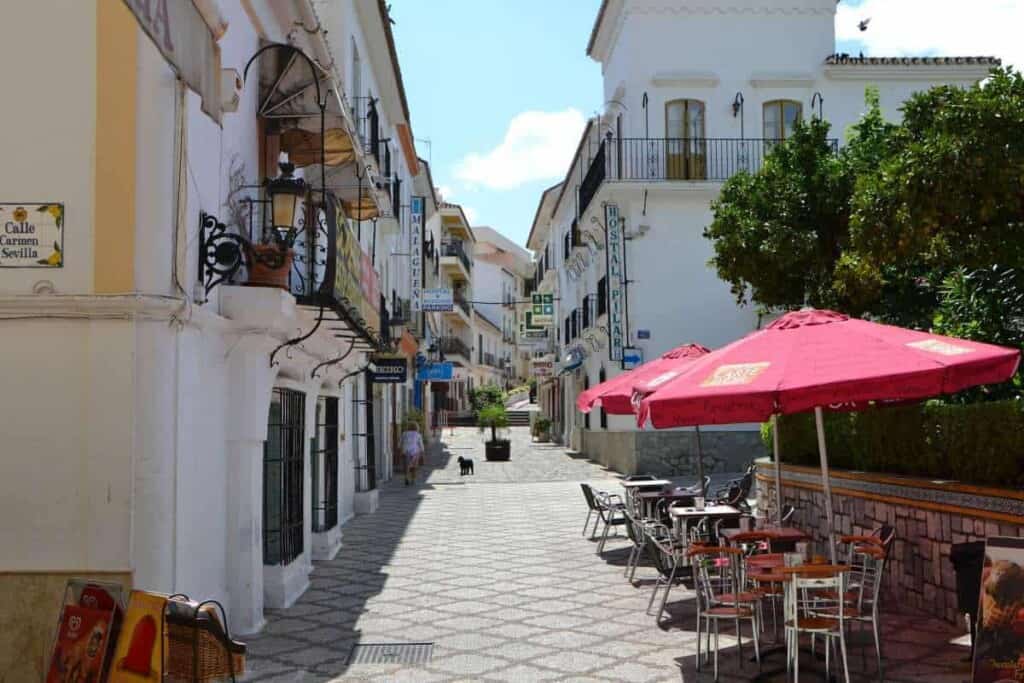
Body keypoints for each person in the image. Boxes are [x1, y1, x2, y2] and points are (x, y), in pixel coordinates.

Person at [400, 421, 425, 486]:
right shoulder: (418, 434)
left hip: (405, 451)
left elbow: (400, 443)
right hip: (414, 452)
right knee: (414, 467)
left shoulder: (404, 434)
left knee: (406, 466)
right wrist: (422, 453)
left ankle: (406, 477)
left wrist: (400, 450)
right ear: (417, 427)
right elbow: (421, 445)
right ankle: (413, 480)